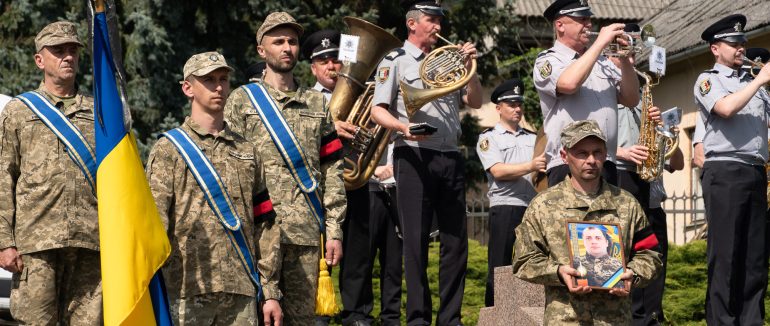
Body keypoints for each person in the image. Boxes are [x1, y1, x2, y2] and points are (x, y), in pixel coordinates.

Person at [224, 12, 346, 325]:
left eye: (292, 41)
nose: (287, 47)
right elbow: (228, 170)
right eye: (278, 41)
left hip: (305, 235)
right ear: (261, 50)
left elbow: (332, 170)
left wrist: (334, 230)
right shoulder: (241, 101)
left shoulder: (316, 104)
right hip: (256, 236)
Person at [146, 52, 282, 325]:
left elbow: (265, 224)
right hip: (187, 290)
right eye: (208, 80)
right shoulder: (169, 149)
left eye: (223, 79)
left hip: (241, 291)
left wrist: (270, 293)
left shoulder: (248, 151)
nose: (218, 87)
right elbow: (153, 225)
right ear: (188, 88)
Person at [369, 0, 482, 323]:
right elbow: (378, 110)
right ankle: (418, 319)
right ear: (412, 24)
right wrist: (402, 127)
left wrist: (471, 69)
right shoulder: (396, 60)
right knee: (415, 242)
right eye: (431, 20)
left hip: (450, 155)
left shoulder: (449, 59)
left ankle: (450, 319)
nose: (438, 27)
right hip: (414, 153)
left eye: (439, 21)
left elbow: (475, 102)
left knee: (456, 242)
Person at [0, 21, 102, 324]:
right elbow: (4, 177)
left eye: (72, 50)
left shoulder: (98, 112)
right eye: (58, 50)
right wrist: (5, 242)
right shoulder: (19, 111)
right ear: (39, 60)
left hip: (91, 242)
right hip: (36, 244)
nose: (68, 56)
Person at [512, 120, 662, 325]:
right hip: (566, 320)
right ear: (564, 156)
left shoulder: (627, 203)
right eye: (582, 153)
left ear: (605, 154)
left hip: (615, 320)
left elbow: (651, 253)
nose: (591, 160)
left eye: (597, 152)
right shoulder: (543, 205)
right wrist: (558, 272)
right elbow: (523, 260)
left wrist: (633, 274)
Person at [694, 14, 770, 325]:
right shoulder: (709, 79)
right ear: (715, 49)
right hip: (725, 171)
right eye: (734, 43)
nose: (741, 48)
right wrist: (760, 80)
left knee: (755, 261)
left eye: (743, 43)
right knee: (725, 258)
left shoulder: (754, 83)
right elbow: (725, 108)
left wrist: (760, 83)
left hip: (755, 171)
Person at [534, 0, 641, 187]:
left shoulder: (602, 62)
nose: (589, 25)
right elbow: (569, 83)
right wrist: (599, 43)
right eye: (582, 19)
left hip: (605, 161)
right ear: (560, 25)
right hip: (568, 161)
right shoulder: (548, 60)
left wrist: (624, 59)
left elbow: (631, 99)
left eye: (589, 19)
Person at [475, 78, 543, 307]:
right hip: (505, 205)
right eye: (511, 104)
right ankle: (495, 312)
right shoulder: (488, 137)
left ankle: (528, 311)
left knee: (531, 262)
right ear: (498, 108)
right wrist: (531, 166)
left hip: (532, 206)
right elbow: (498, 171)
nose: (517, 109)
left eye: (519, 104)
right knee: (500, 265)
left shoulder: (533, 138)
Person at [692, 47, 770, 169]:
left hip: (757, 168)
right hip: (727, 169)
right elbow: (699, 157)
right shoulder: (714, 85)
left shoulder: (761, 94)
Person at [302, 29, 343, 100]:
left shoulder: (357, 94)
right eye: (324, 62)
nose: (331, 66)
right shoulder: (304, 100)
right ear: (314, 69)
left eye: (335, 61)